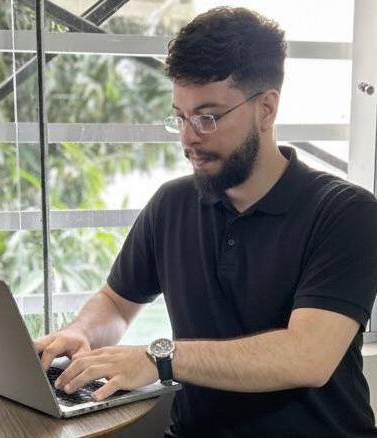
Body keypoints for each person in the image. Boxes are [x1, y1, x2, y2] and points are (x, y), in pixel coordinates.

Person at [35, 6, 377, 437]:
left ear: (266, 109)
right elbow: (117, 303)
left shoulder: (347, 213)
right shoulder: (171, 203)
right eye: (180, 117)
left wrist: (160, 358)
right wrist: (81, 332)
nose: (188, 137)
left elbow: (306, 356)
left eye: (207, 117)